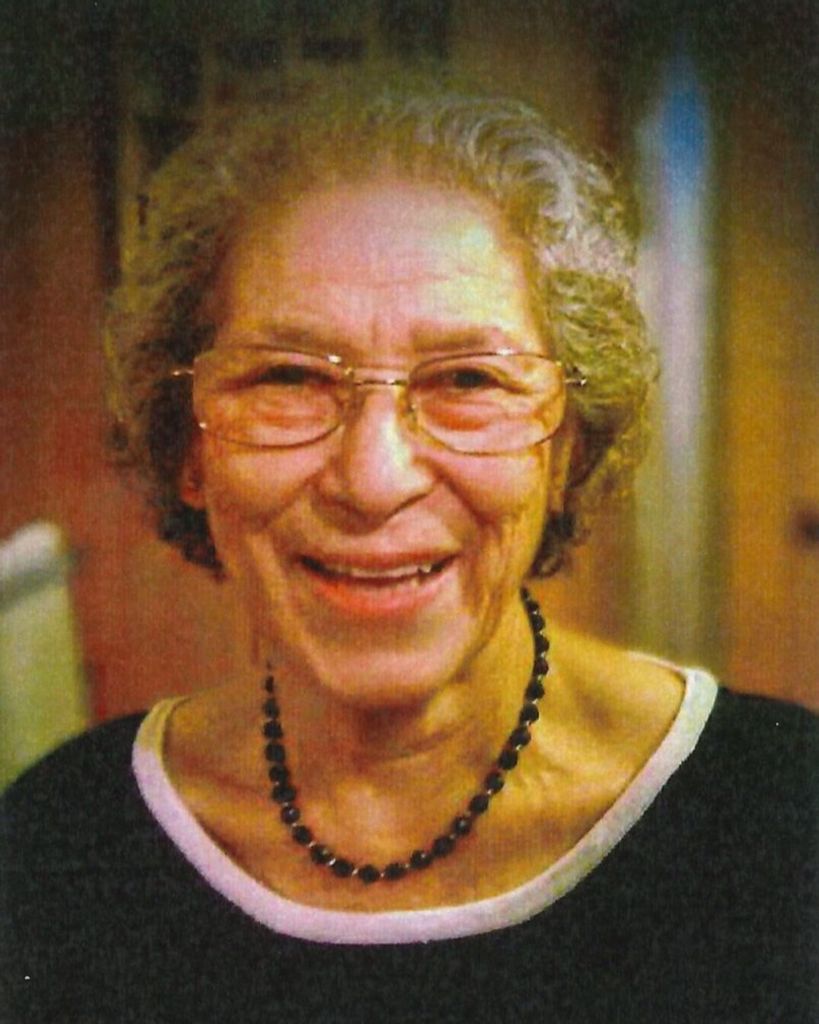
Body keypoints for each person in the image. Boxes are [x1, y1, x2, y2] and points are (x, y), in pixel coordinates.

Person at [1, 77, 816, 1023]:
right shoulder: (61, 847)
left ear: (565, 449)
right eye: (289, 377)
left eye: (467, 380)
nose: (373, 479)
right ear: (189, 447)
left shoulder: (780, 824)